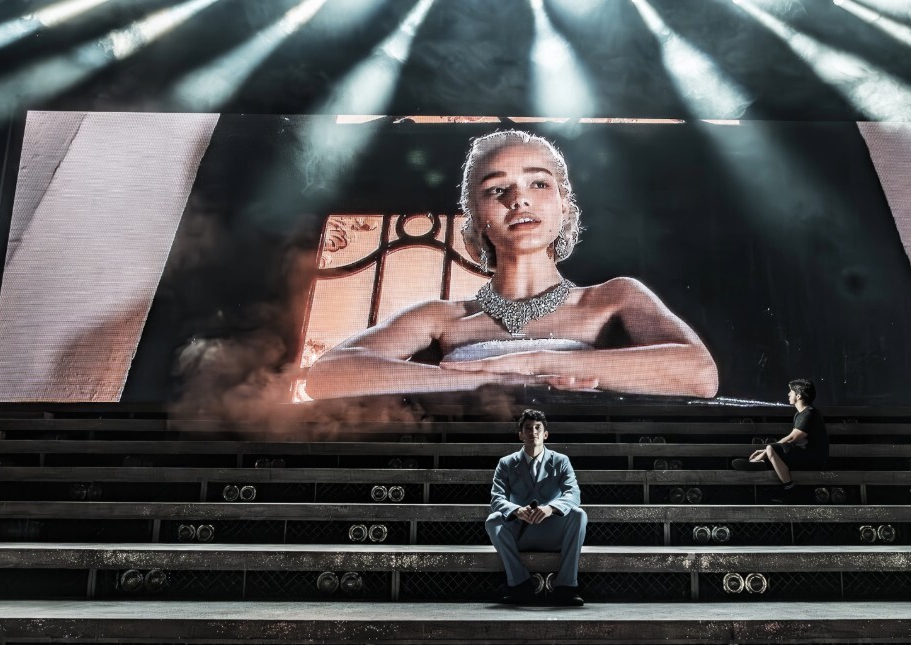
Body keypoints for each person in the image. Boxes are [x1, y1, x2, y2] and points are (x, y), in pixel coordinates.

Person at [304, 130, 718, 400]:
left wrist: (535, 361)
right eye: (497, 188)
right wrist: (484, 380)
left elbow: (698, 373)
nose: (518, 199)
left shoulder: (613, 297)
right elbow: (329, 375)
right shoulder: (442, 317)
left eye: (539, 183)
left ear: (563, 205)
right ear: (478, 215)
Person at [485, 409, 587, 606]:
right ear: (521, 434)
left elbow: (573, 495)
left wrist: (551, 508)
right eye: (528, 428)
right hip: (520, 532)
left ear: (545, 434)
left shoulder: (561, 461)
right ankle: (520, 585)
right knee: (493, 520)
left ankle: (566, 587)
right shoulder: (506, 463)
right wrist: (516, 511)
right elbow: (496, 499)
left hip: (552, 530)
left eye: (538, 428)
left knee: (578, 515)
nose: (533, 432)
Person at [732, 379, 828, 502]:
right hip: (806, 454)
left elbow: (793, 437)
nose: (788, 394)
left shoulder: (809, 413)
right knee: (774, 451)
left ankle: (790, 489)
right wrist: (767, 450)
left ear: (798, 396)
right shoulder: (800, 414)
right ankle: (762, 464)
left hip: (815, 459)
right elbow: (793, 442)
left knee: (772, 449)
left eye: (791, 392)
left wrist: (766, 451)